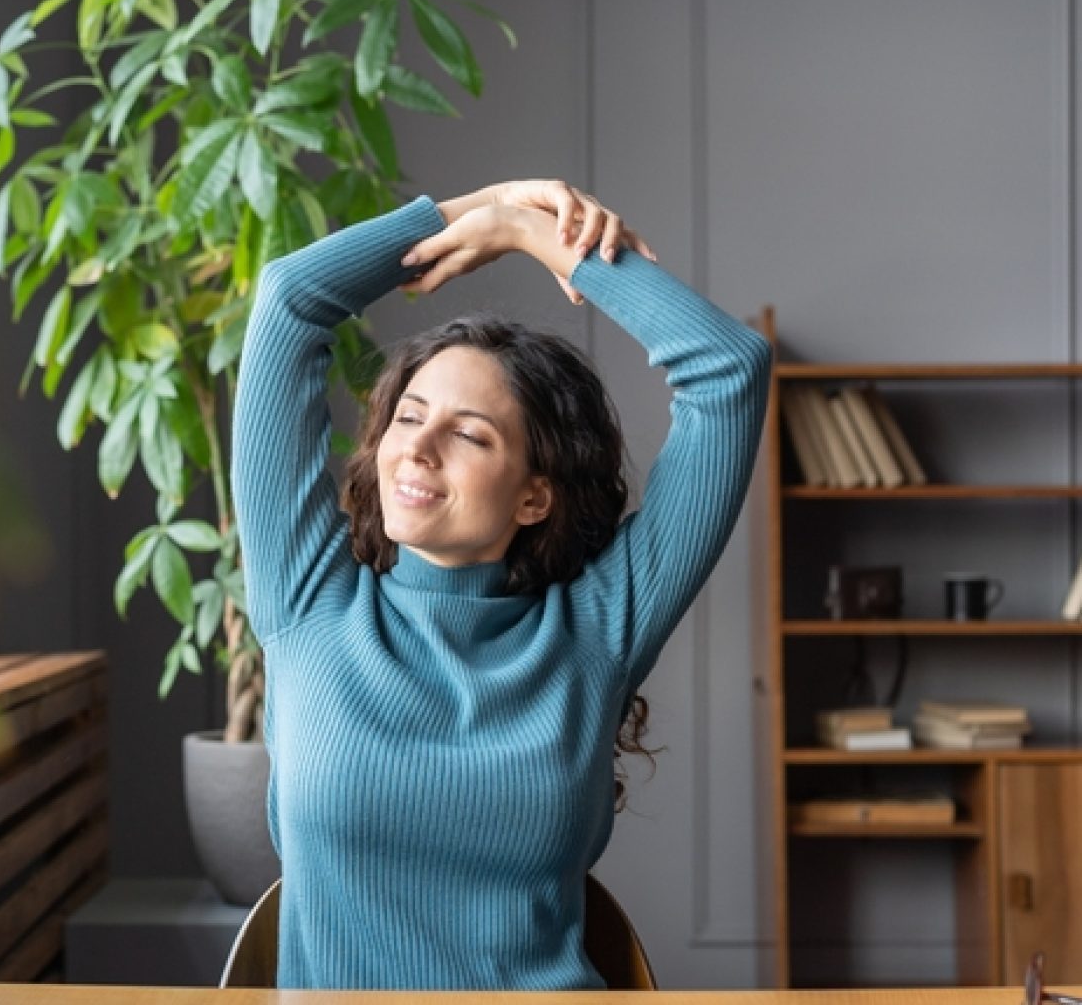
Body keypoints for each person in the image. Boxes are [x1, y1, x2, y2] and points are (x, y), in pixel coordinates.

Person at [232, 179, 773, 990]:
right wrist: (478, 207)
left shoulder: (598, 627)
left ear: (534, 495)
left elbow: (731, 372)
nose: (416, 450)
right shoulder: (309, 598)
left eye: (469, 435)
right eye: (409, 417)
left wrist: (536, 237)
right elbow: (288, 300)